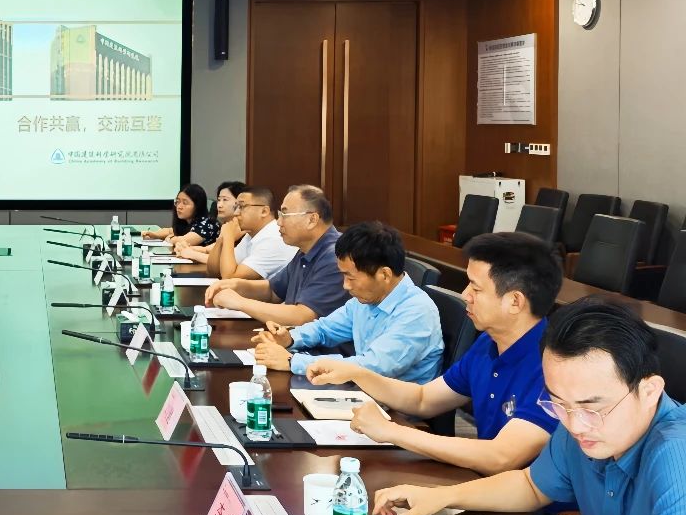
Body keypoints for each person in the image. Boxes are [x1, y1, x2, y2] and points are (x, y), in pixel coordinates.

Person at [373, 299, 686, 515]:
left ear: (649, 391)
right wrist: (443, 497)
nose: (575, 425)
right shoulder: (583, 425)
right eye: (558, 404)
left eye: (591, 408)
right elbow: (531, 485)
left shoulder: (677, 453)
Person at [305, 232, 564, 473]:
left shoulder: (553, 365)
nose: (465, 295)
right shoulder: (489, 342)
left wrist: (391, 431)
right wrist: (356, 373)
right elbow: (423, 399)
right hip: (485, 484)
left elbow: (501, 457)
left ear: (515, 301)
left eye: (476, 288)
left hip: (528, 503)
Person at [253, 221, 442, 384]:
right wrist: (289, 338)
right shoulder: (366, 300)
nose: (345, 285)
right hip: (361, 393)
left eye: (350, 277)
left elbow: (372, 366)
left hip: (394, 409)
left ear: (384, 274)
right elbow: (324, 329)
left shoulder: (417, 311)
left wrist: (292, 361)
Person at [204, 184, 348, 328]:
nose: (279, 222)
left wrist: (240, 302)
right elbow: (273, 291)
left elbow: (303, 316)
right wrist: (235, 285)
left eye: (285, 215)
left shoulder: (335, 256)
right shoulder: (306, 249)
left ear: (312, 220)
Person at [203, 185, 296, 279]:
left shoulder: (274, 239)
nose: (236, 213)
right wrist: (221, 239)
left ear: (264, 211)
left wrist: (229, 238)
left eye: (241, 207)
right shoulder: (252, 234)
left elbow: (229, 278)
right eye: (236, 207)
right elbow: (213, 272)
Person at [140, 184, 219, 252]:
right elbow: (170, 231)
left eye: (185, 203)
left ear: (198, 205)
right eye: (178, 202)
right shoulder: (187, 221)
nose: (179, 207)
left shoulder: (207, 224)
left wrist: (170, 239)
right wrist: (154, 235)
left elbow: (183, 241)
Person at [178, 182, 244, 264]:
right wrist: (186, 249)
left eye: (225, 200)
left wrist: (191, 254)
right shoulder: (227, 226)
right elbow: (207, 249)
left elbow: (222, 261)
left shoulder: (245, 230)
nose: (219, 205)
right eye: (219, 200)